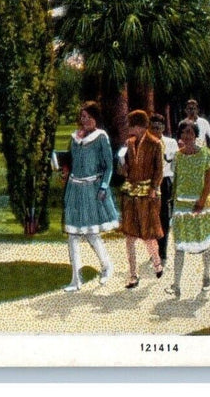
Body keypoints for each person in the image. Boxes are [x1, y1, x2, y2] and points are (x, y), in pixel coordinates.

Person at [60, 101, 118, 291]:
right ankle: (76, 279)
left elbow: (109, 166)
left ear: (96, 118)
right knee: (73, 235)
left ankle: (107, 266)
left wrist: (103, 187)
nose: (84, 120)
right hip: (75, 189)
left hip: (92, 189)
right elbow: (71, 161)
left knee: (92, 234)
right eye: (82, 117)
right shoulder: (75, 138)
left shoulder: (101, 137)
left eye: (88, 117)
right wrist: (65, 170)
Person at [165, 120, 210, 299]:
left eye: (190, 132)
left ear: (196, 134)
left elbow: (209, 182)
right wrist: (172, 204)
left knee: (204, 244)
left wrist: (201, 202)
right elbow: (176, 181)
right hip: (181, 206)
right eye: (184, 132)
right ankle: (176, 285)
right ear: (180, 135)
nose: (187, 136)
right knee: (179, 245)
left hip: (201, 205)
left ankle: (206, 276)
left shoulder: (207, 155)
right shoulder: (178, 156)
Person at [119, 109, 164, 289]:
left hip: (147, 193)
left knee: (148, 234)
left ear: (141, 126)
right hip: (131, 191)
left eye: (132, 126)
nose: (130, 129)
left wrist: (154, 188)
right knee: (130, 235)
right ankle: (133, 274)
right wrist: (124, 168)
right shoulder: (129, 143)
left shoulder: (155, 143)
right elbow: (128, 166)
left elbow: (158, 170)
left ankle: (157, 262)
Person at [150, 113, 178, 264]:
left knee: (164, 218)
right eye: (153, 127)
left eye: (158, 127)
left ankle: (163, 252)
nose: (156, 130)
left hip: (165, 181)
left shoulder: (171, 142)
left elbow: (174, 164)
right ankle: (154, 250)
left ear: (163, 128)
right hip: (149, 183)